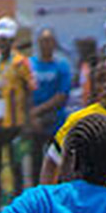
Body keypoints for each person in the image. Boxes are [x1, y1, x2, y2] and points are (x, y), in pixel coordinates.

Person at [42, 55, 106, 188]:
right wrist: (49, 202)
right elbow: (53, 160)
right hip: (99, 206)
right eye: (101, 80)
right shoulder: (82, 120)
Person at [0, 19, 29, 200]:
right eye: (0, 39)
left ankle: (17, 207)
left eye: (7, 39)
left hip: (15, 123)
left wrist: (27, 120)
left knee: (16, 166)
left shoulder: (21, 62)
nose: (3, 43)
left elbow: (29, 90)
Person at [26, 28, 75, 180]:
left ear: (54, 44)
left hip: (56, 121)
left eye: (49, 41)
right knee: (35, 162)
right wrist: (31, 116)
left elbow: (62, 95)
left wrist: (38, 110)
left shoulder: (62, 66)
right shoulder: (29, 65)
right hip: (35, 123)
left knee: (58, 161)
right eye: (42, 41)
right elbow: (24, 92)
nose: (45, 45)